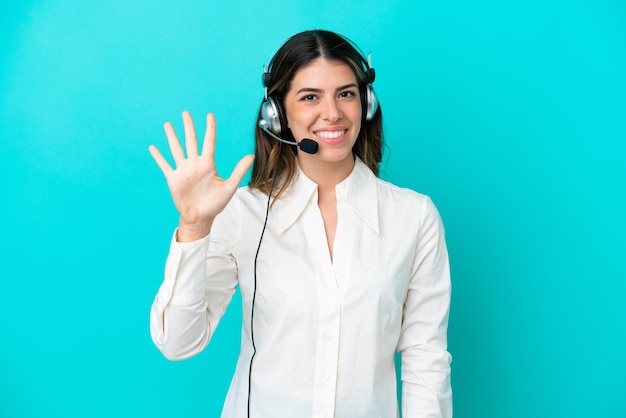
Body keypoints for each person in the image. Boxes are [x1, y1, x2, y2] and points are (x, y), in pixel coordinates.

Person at [148, 29, 452, 418]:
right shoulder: (242, 214)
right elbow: (178, 343)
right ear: (277, 115)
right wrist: (193, 228)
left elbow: (425, 355)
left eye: (346, 93)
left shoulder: (413, 216)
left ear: (367, 103)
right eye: (310, 97)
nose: (333, 113)